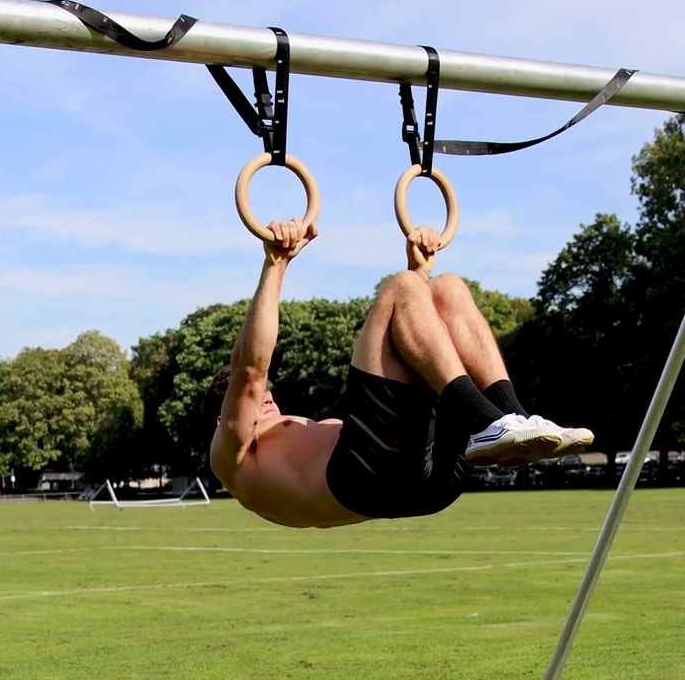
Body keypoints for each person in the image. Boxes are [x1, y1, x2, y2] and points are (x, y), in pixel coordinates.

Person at [207, 219, 593, 528]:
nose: (268, 399)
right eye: (260, 401)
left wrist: (420, 273)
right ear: (225, 416)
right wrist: (276, 263)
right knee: (399, 287)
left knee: (447, 289)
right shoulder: (232, 457)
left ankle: (510, 417)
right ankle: (489, 422)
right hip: (364, 480)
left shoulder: (286, 436)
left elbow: (413, 366)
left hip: (423, 480)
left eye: (270, 396)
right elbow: (250, 371)